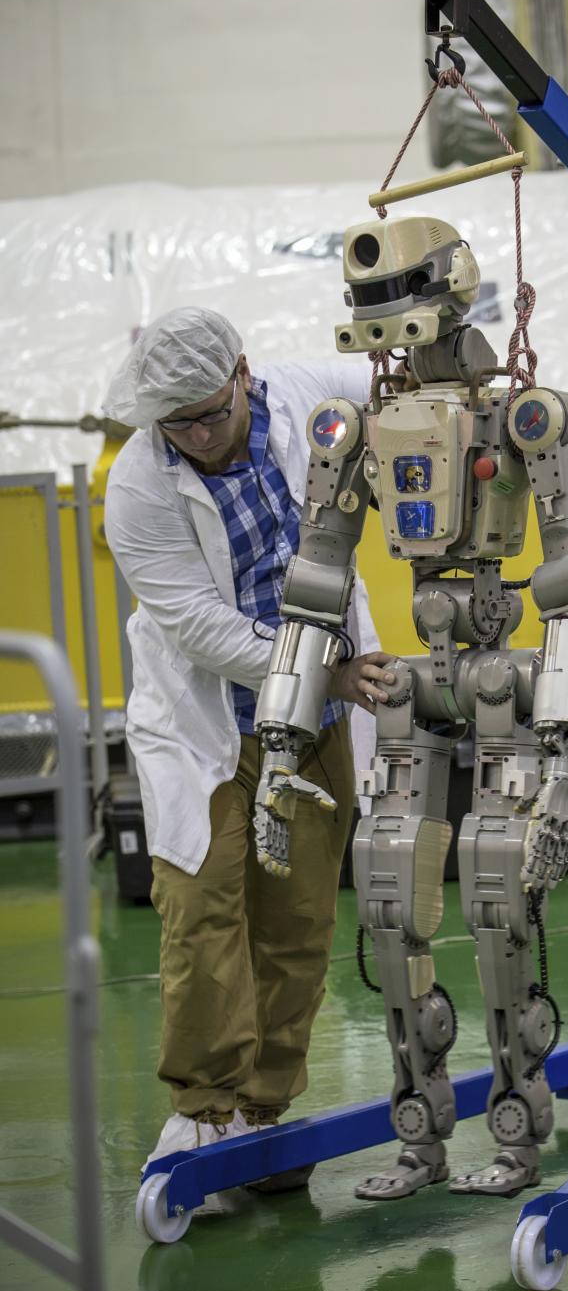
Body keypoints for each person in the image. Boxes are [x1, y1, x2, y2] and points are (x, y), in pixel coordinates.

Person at [104, 306, 397, 1182]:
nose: (195, 435)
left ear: (243, 373)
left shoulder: (304, 396)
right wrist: (328, 671)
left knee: (298, 919)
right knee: (202, 913)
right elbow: (199, 625)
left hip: (319, 722)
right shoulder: (138, 485)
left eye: (209, 412)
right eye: (175, 422)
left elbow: (392, 381)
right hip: (206, 723)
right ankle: (201, 1111)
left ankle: (264, 1113)